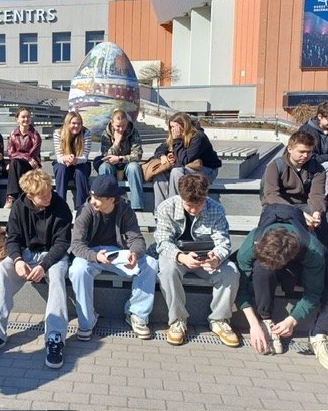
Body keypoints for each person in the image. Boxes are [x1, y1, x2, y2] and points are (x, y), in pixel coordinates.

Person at [236, 204, 328, 372]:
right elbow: (240, 287)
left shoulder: (312, 249)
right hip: (271, 265)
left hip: (301, 264)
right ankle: (266, 321)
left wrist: (292, 320)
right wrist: (254, 324)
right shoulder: (254, 241)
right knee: (261, 269)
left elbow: (313, 293)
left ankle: (318, 335)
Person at [0, 169, 73, 368]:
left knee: (56, 274)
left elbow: (62, 243)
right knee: (3, 268)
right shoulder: (19, 207)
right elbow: (12, 239)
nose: (48, 197)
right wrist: (18, 260)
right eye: (42, 195)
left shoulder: (61, 206)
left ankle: (55, 337)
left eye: (49, 191)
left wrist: (44, 265)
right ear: (30, 195)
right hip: (27, 253)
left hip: (53, 255)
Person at [68, 174, 158, 340]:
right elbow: (76, 245)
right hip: (91, 255)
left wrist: (135, 253)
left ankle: (137, 314)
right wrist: (95, 256)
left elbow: (136, 239)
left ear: (111, 199)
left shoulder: (125, 210)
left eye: (98, 198)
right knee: (77, 269)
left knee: (150, 263)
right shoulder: (85, 210)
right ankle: (87, 320)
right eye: (92, 196)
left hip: (117, 254)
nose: (93, 201)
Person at [154, 174, 239, 347]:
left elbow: (223, 242)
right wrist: (181, 257)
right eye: (189, 206)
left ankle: (219, 320)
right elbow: (162, 242)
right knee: (168, 270)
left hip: (206, 257)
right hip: (177, 256)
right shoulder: (166, 207)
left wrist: (217, 257)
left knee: (231, 272)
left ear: (205, 196)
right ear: (180, 196)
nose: (193, 210)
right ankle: (177, 320)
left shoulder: (216, 209)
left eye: (198, 205)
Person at [261, 131, 328, 242]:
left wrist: (317, 212)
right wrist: (297, 213)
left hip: (304, 204)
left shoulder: (318, 169)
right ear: (290, 149)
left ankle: (319, 250)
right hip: (278, 205)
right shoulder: (275, 166)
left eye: (309, 152)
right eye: (301, 152)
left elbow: (317, 194)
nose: (305, 156)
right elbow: (271, 194)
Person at [152, 112, 222, 213]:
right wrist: (162, 156)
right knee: (159, 174)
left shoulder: (198, 137)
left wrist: (177, 140)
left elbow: (184, 160)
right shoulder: (175, 137)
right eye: (170, 127)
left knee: (176, 172)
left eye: (174, 127)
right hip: (187, 168)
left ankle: (174, 209)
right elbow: (159, 150)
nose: (172, 130)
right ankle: (161, 211)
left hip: (207, 170)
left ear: (183, 125)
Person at [96, 109, 144, 211]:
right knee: (104, 167)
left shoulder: (133, 132)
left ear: (127, 123)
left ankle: (137, 206)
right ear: (112, 123)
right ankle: (105, 203)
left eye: (123, 125)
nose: (121, 129)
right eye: (118, 126)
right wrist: (116, 143)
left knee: (134, 167)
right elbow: (106, 156)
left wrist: (120, 159)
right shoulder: (106, 134)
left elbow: (137, 154)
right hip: (111, 166)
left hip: (127, 164)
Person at [52, 111, 92, 210]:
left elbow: (84, 157)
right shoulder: (58, 133)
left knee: (80, 171)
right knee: (61, 169)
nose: (76, 126)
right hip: (64, 163)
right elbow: (59, 156)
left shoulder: (86, 133)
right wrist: (66, 158)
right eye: (73, 123)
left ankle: (82, 207)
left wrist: (75, 160)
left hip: (80, 162)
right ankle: (60, 206)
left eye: (79, 123)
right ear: (67, 123)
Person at [4, 107, 42, 209]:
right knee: (15, 162)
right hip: (19, 164)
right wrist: (26, 157)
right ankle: (19, 199)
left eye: (28, 117)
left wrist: (24, 158)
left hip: (31, 165)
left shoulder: (35, 135)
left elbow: (33, 154)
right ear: (17, 119)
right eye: (23, 117)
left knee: (14, 163)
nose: (26, 119)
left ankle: (11, 197)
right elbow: (10, 153)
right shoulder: (13, 134)